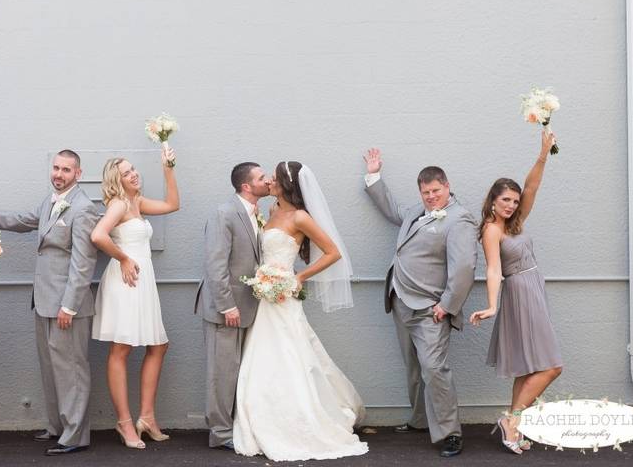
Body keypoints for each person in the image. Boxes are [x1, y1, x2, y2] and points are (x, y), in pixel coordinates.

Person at [0, 150, 98, 456]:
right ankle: (58, 427)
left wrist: (70, 306)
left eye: (65, 169)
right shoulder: (49, 201)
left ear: (78, 173)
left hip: (67, 305)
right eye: (55, 168)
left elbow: (83, 262)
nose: (58, 174)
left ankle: (75, 436)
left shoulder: (83, 208)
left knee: (72, 369)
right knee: (51, 368)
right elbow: (20, 221)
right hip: (43, 301)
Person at [233, 161, 368, 461]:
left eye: (273, 178)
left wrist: (299, 277)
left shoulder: (300, 216)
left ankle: (303, 418)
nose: (268, 180)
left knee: (292, 355)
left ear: (285, 185)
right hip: (264, 296)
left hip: (283, 295)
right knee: (263, 355)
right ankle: (260, 413)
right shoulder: (270, 212)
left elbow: (334, 252)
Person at [363, 149, 478, 458]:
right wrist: (374, 175)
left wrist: (447, 305)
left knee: (434, 368)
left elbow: (464, 267)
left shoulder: (460, 218)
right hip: (400, 299)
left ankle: (450, 434)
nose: (431, 197)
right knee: (413, 366)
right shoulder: (417, 210)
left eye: (436, 191)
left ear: (447, 186)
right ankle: (419, 419)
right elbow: (394, 211)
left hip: (431, 309)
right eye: (426, 192)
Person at [469, 130, 563, 454]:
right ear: (492, 201)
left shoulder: (516, 222)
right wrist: (492, 306)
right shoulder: (491, 230)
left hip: (534, 287)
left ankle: (514, 427)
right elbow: (494, 269)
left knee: (526, 368)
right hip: (519, 294)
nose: (510, 205)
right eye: (504, 200)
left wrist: (542, 153)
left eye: (513, 200)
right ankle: (513, 419)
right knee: (552, 367)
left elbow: (533, 185)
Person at [90, 149, 180, 449]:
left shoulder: (137, 202)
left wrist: (168, 168)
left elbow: (172, 204)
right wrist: (124, 259)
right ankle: (125, 423)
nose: (134, 174)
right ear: (117, 181)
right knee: (122, 348)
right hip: (126, 281)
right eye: (127, 172)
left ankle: (148, 417)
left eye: (134, 169)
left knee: (158, 345)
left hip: (143, 281)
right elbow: (98, 236)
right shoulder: (118, 205)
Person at [194, 162, 269, 450]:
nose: (268, 181)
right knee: (221, 373)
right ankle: (221, 433)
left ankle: (235, 426)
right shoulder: (223, 213)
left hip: (249, 307)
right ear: (247, 186)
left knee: (238, 371)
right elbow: (215, 264)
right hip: (225, 310)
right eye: (261, 178)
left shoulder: (254, 213)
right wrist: (227, 306)